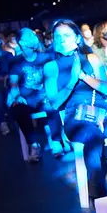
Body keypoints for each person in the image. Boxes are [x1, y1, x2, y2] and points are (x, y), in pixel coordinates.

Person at [44, 20, 107, 196]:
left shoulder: (91, 58)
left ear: (76, 38)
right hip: (75, 116)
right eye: (57, 36)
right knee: (91, 134)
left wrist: (83, 75)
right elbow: (54, 103)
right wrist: (72, 81)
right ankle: (98, 189)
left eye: (66, 35)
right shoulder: (51, 67)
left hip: (101, 109)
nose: (61, 40)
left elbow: (106, 89)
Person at [7, 29, 64, 161]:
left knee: (52, 106)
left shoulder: (45, 58)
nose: (33, 39)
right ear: (21, 42)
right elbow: (14, 84)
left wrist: (43, 95)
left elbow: (52, 80)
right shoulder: (16, 63)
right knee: (17, 110)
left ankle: (56, 142)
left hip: (45, 96)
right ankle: (33, 144)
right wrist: (15, 96)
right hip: (26, 100)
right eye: (28, 37)